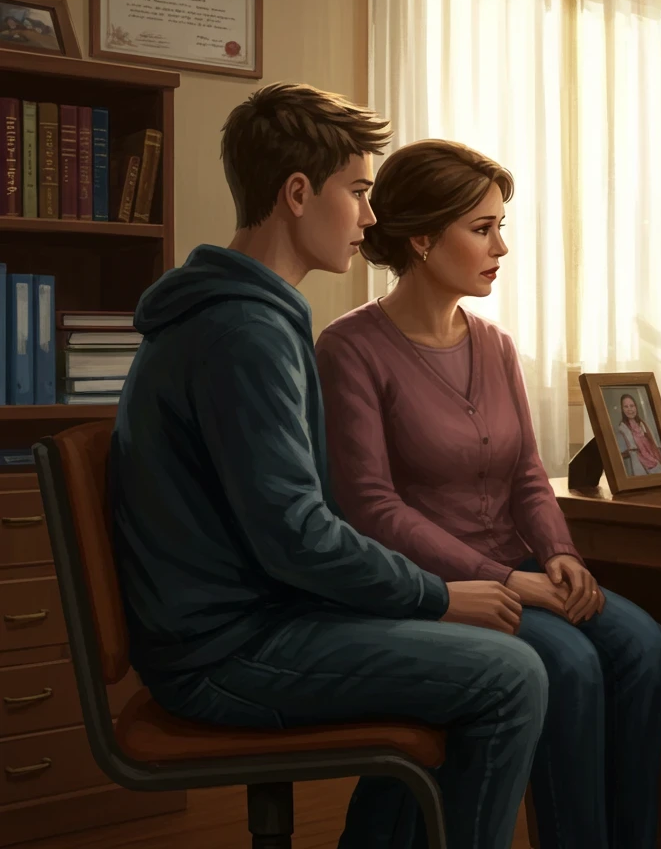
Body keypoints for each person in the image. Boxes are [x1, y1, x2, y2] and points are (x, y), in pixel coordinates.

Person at [110, 84, 548, 849]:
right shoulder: (243, 332)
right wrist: (438, 596)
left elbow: (296, 526)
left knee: (478, 654)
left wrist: (424, 598)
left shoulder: (246, 314)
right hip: (227, 651)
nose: (371, 219)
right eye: (358, 192)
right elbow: (298, 534)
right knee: (510, 675)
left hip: (237, 625)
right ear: (298, 193)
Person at [314, 138, 661, 849]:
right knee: (568, 664)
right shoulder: (348, 348)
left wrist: (559, 555)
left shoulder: (498, 345)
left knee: (641, 645)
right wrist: (510, 580)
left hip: (519, 569)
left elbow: (527, 476)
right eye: (482, 229)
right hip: (432, 588)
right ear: (420, 237)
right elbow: (372, 510)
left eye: (500, 226)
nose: (500, 246)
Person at [616, 393, 661, 474]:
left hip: (654, 461)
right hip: (640, 464)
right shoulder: (622, 429)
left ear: (636, 407)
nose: (629, 409)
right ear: (622, 409)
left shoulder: (643, 424)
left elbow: (654, 444)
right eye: (626, 407)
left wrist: (655, 460)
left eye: (632, 406)